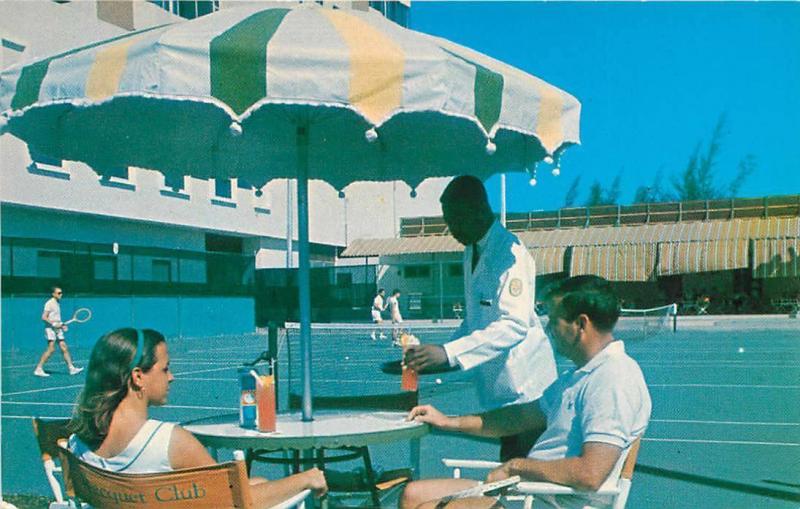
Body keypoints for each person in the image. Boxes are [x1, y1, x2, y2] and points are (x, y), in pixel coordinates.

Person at [401, 276, 652, 509]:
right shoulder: (578, 377)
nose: (548, 330)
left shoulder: (612, 379)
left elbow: (590, 474)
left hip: (555, 501)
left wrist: (515, 467)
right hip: (533, 491)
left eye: (554, 321)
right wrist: (447, 421)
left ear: (580, 324)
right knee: (414, 494)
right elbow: (519, 418)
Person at [68, 328, 327, 507]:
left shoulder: (78, 442)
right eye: (165, 369)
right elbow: (239, 504)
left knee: (256, 483)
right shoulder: (169, 442)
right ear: (138, 377)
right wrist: (306, 478)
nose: (171, 377)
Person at [404, 175, 556, 460]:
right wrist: (434, 359)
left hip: (526, 391)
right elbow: (475, 322)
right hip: (499, 391)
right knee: (509, 467)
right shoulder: (470, 251)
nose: (452, 229)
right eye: (448, 221)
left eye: (456, 219)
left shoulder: (510, 253)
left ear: (479, 209)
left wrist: (448, 354)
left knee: (521, 472)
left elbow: (515, 324)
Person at [34, 286, 83, 377]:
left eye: (61, 292)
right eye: (59, 293)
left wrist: (62, 326)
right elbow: (44, 317)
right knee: (51, 349)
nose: (61, 294)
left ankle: (71, 368)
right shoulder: (49, 303)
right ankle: (38, 369)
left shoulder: (57, 303)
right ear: (53, 294)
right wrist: (53, 324)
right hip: (50, 329)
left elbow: (56, 318)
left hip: (58, 328)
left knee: (64, 347)